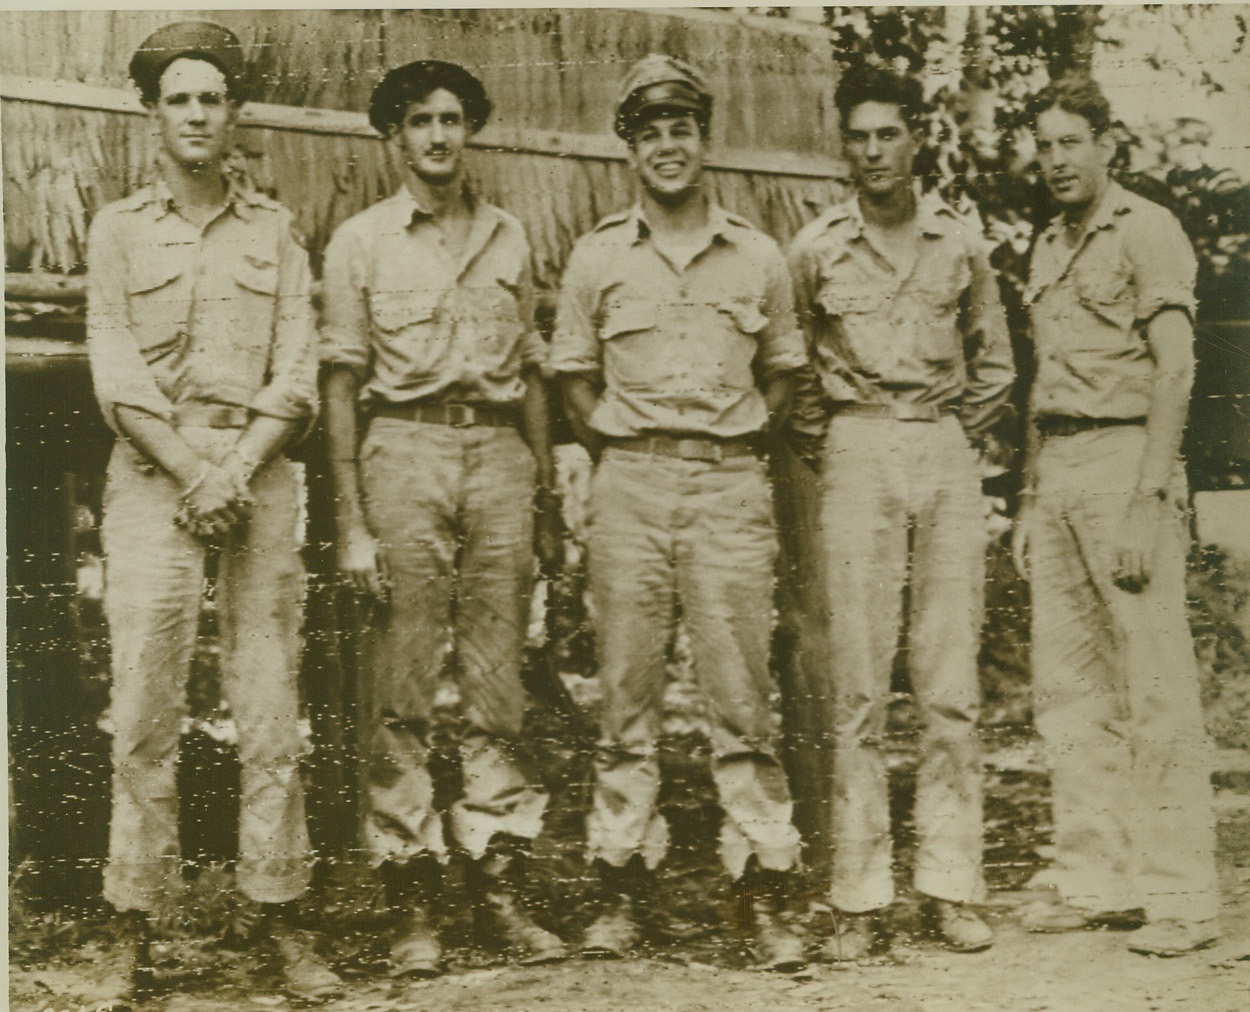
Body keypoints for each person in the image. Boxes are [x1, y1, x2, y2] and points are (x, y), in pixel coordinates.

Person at [85, 20, 341, 1001]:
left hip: (258, 481)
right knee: (145, 705)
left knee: (270, 704)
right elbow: (115, 373)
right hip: (157, 483)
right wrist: (197, 469)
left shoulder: (274, 231)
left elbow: (298, 372)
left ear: (233, 114)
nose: (196, 114)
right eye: (178, 98)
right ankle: (129, 923)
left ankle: (279, 915)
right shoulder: (117, 229)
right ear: (153, 114)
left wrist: (234, 466)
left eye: (211, 98)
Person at [551, 54, 808, 972]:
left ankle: (763, 890)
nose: (668, 146)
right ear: (630, 148)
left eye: (682, 128)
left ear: (705, 139)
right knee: (627, 695)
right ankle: (622, 887)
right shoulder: (597, 256)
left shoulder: (759, 255)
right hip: (630, 485)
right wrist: (624, 451)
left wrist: (733, 442)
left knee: (743, 698)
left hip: (731, 485)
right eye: (650, 131)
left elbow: (782, 369)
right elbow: (572, 379)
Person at [319, 59, 566, 978]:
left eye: (452, 119)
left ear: (470, 131)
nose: (438, 136)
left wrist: (544, 501)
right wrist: (351, 518)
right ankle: (414, 898)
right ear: (394, 137)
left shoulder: (510, 237)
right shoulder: (360, 243)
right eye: (419, 120)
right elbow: (341, 382)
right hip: (404, 452)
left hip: (499, 455)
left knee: (500, 683)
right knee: (403, 686)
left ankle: (500, 887)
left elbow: (533, 369)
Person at [786, 66, 1014, 960]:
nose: (874, 152)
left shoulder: (959, 243)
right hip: (856, 448)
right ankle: (859, 893)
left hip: (944, 451)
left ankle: (952, 886)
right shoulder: (815, 249)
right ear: (843, 146)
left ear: (917, 139)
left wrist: (953, 435)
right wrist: (841, 438)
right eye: (859, 136)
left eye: (889, 133)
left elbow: (995, 361)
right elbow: (796, 365)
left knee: (950, 682)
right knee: (857, 684)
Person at [1014, 76, 1222, 957]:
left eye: (1072, 142)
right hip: (1058, 466)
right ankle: (1097, 878)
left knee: (1154, 686)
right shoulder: (1048, 243)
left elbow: (1174, 370)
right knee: (1070, 691)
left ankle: (1182, 896)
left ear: (1108, 144)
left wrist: (1147, 499)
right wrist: (1027, 498)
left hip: (1125, 459)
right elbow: (1042, 384)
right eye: (1045, 144)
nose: (1056, 159)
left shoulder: (1148, 230)